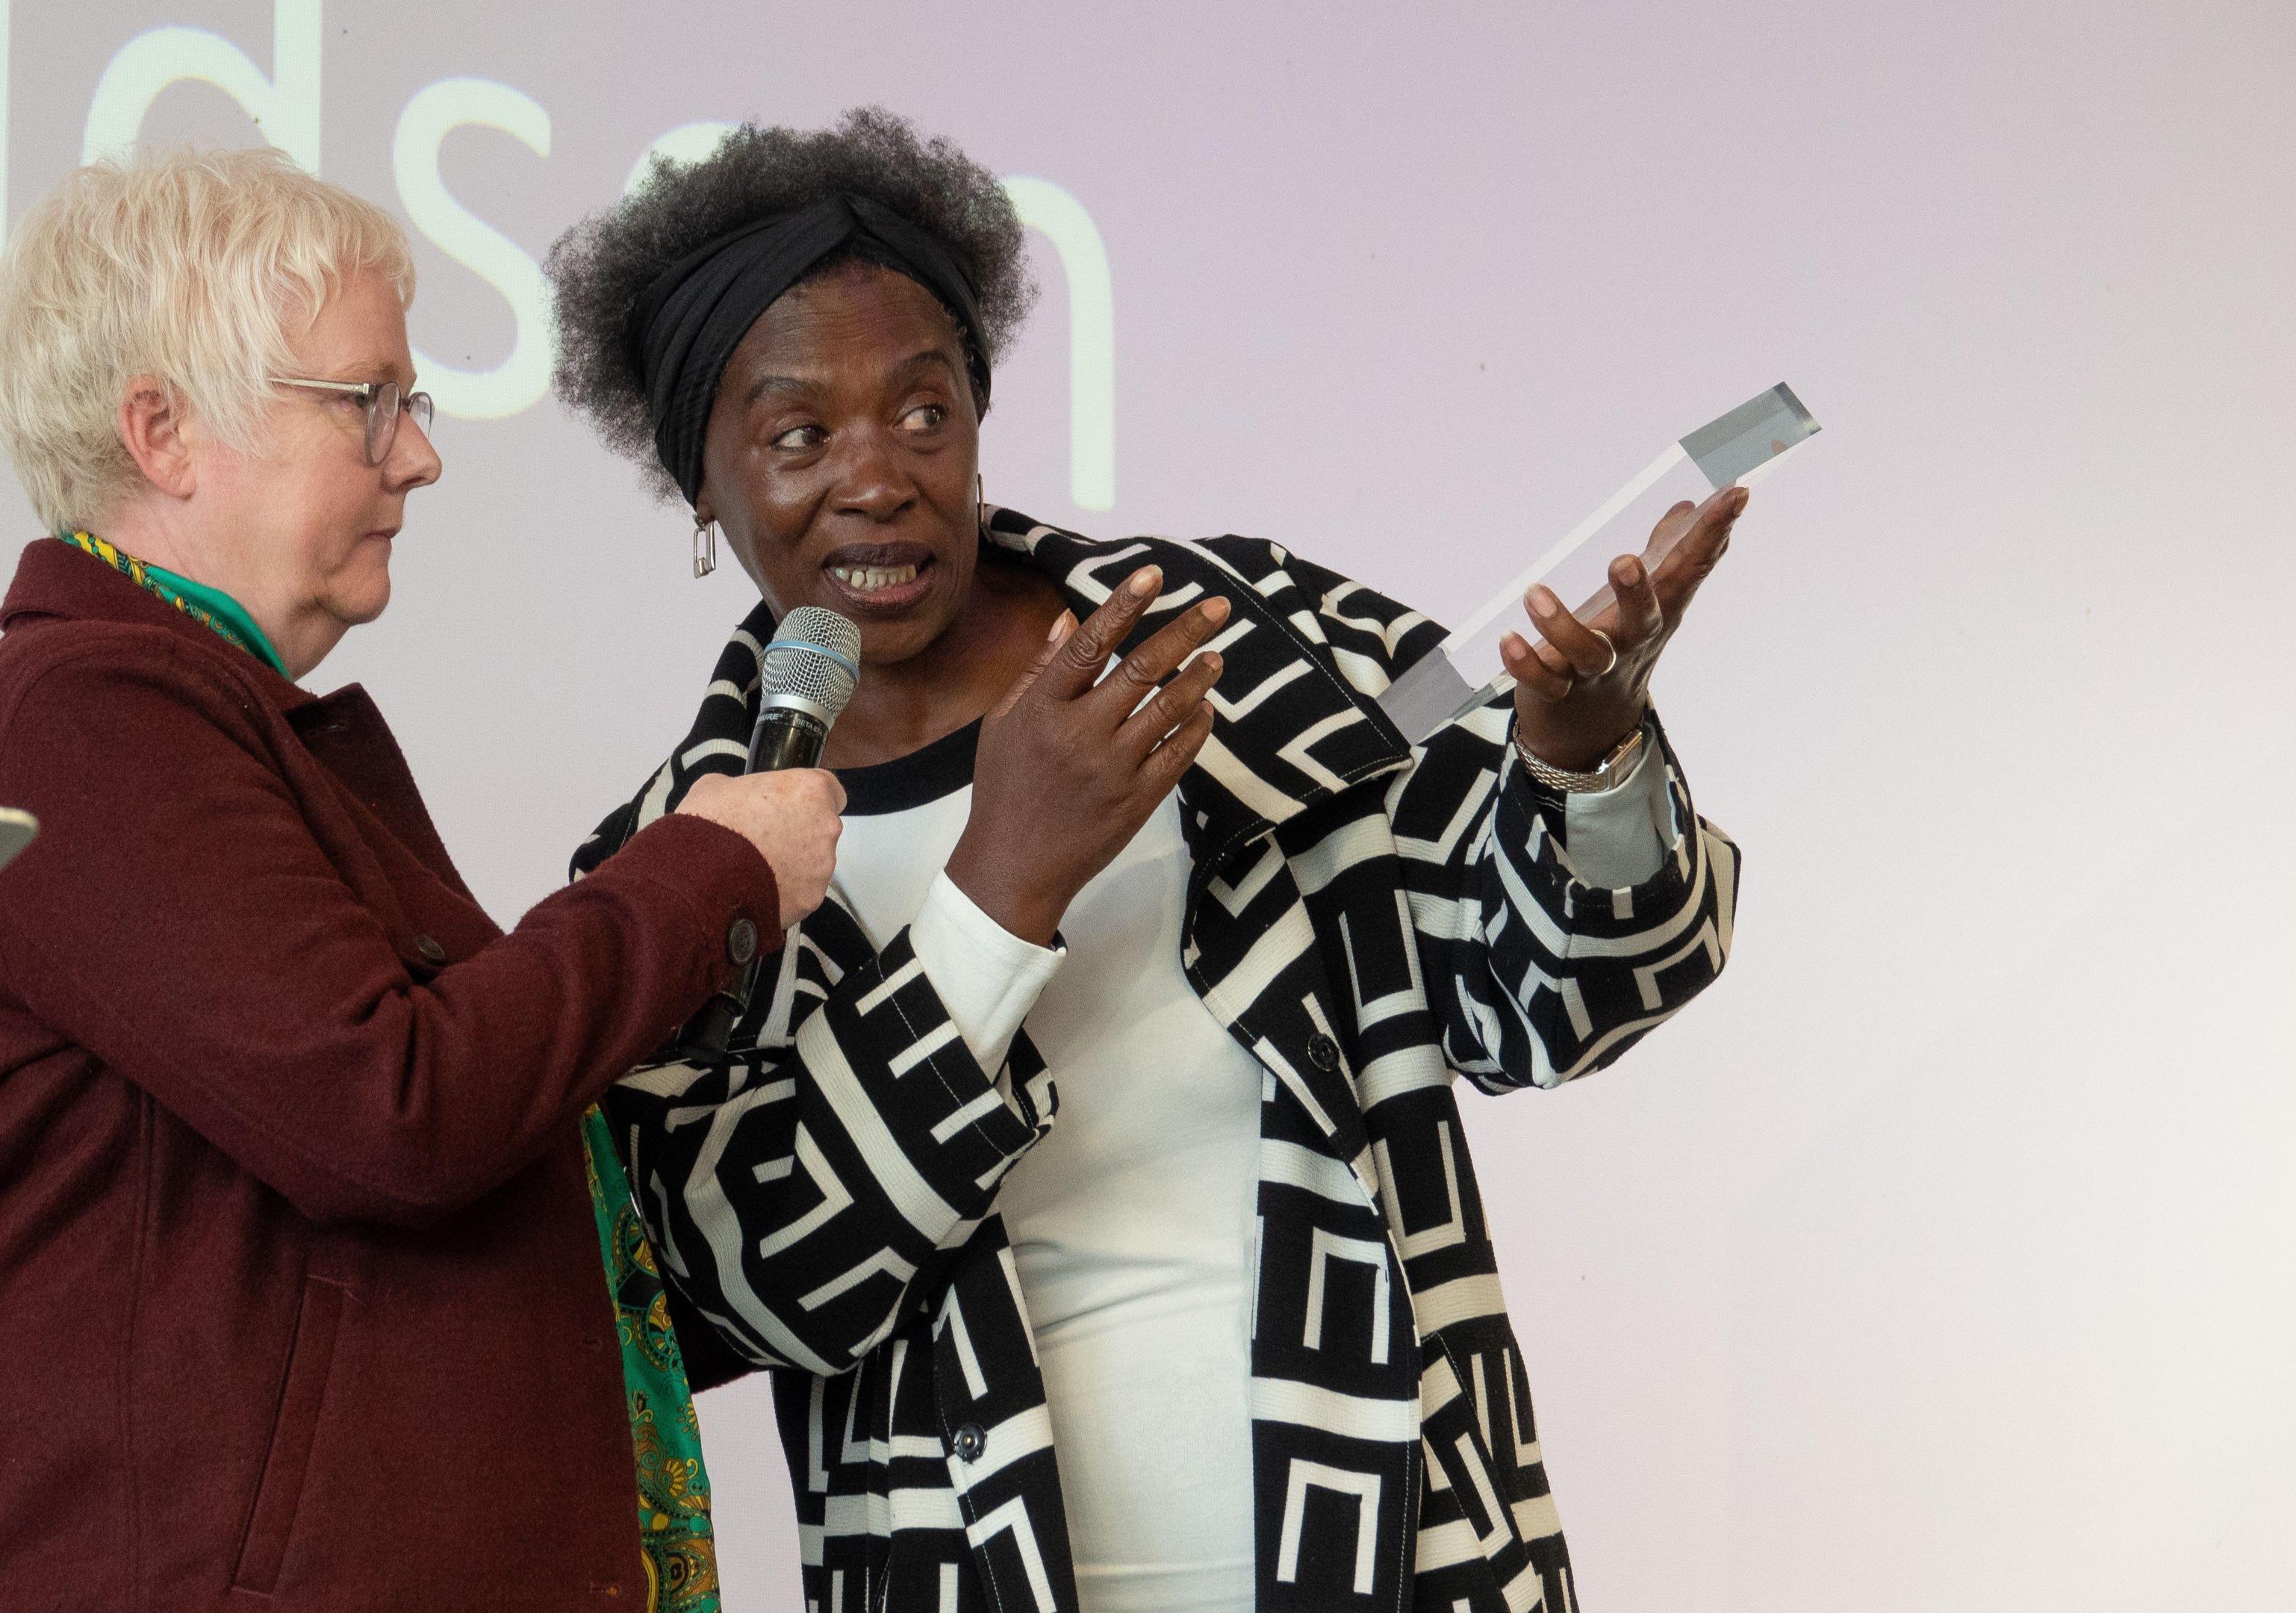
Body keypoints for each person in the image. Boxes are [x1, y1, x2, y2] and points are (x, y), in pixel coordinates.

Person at [550, 109, 1743, 1613]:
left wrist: (1584, 755)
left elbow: (1555, 1003)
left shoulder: (1244, 646)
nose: (877, 478)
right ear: (701, 489)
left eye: (925, 414)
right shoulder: (678, 868)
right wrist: (998, 895)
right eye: (797, 436)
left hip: (1411, 1561)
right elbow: (742, 1290)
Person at [0, 146, 842, 1611]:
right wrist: (704, 876)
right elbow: (391, 1106)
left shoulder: (187, 716)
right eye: (367, 401)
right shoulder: (85, 711)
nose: (421, 453)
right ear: (166, 431)